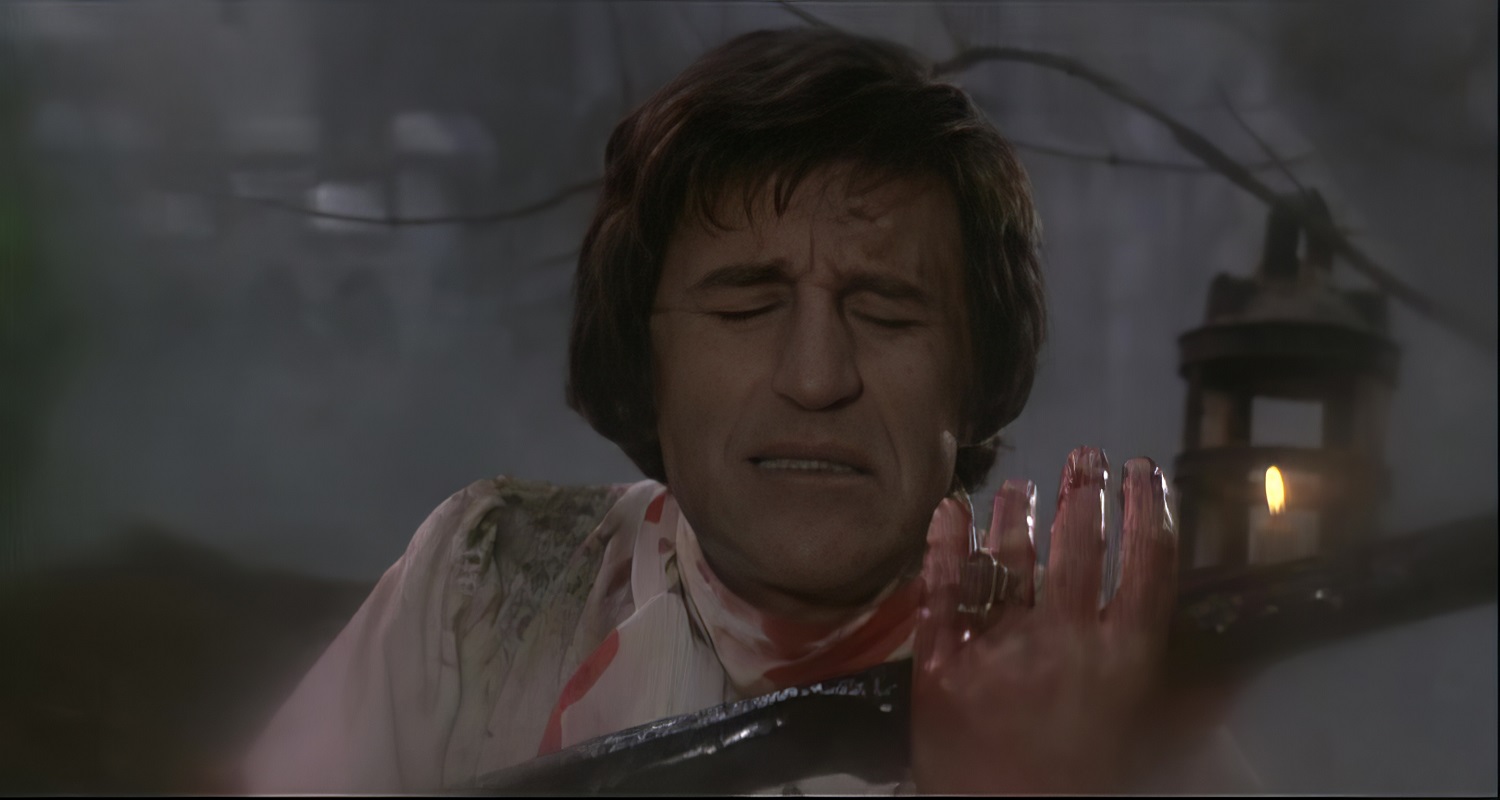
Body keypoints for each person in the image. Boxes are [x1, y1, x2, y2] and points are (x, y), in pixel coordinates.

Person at [241, 27, 1253, 794]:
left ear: (974, 374)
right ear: (645, 354)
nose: (816, 377)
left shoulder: (1113, 718)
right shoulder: (484, 588)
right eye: (745, 306)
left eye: (886, 312)